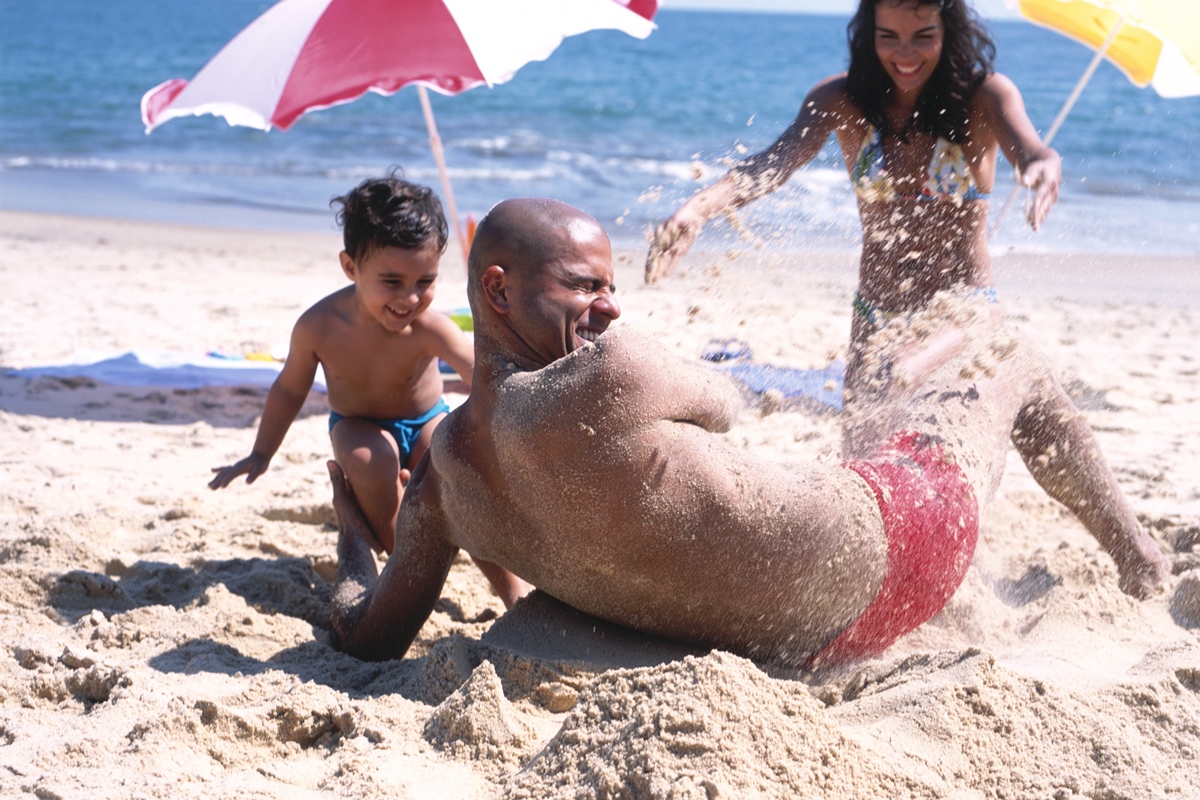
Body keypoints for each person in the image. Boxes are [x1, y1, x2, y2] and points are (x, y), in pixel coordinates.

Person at [326, 198, 1168, 667]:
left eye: (612, 287)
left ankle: (1124, 547)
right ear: (499, 292)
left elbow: (369, 638)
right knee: (999, 347)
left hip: (792, 625)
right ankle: (1142, 557)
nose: (612, 307)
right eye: (585, 287)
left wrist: (356, 542)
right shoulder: (610, 374)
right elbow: (724, 402)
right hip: (902, 548)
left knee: (901, 410)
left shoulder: (445, 484)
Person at [645, 0, 1060, 403]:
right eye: (888, 36)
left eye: (923, 36)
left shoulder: (984, 97)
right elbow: (772, 165)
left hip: (962, 313)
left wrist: (1042, 168)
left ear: (948, 34)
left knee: (906, 378)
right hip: (874, 312)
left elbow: (1033, 152)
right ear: (868, 35)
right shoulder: (839, 99)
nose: (905, 53)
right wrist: (695, 211)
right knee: (858, 449)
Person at [209, 175, 528, 608]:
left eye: (425, 281)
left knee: (449, 454)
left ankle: (513, 592)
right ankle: (409, 568)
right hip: (357, 424)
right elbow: (288, 389)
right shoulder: (320, 325)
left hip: (425, 417)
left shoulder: (430, 327)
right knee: (371, 460)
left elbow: (487, 376)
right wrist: (261, 453)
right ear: (350, 267)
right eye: (392, 282)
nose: (410, 298)